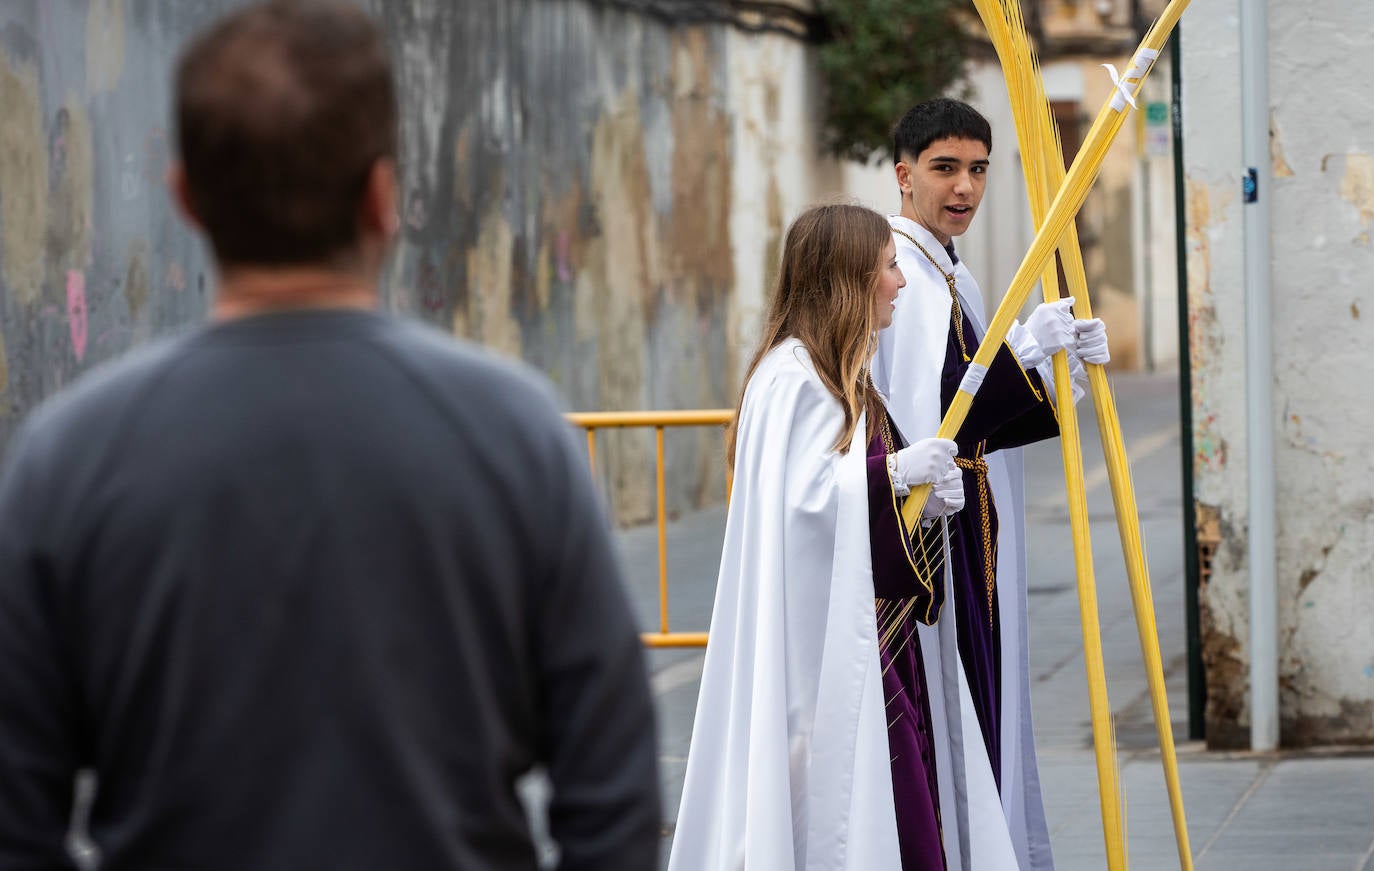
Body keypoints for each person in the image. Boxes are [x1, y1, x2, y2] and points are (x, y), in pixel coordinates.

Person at [0, 3, 659, 869]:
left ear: (187, 197)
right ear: (383, 198)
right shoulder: (518, 433)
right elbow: (612, 790)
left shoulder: (65, 459)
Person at [669, 202, 1006, 871]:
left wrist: (922, 494)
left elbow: (846, 488)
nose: (900, 282)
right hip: (822, 659)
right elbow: (804, 507)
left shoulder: (838, 375)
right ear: (851, 278)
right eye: (888, 267)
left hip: (872, 639)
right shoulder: (790, 380)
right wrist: (893, 475)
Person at [872, 97, 1111, 871]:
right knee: (954, 717)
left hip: (977, 534)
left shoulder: (950, 270)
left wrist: (1053, 356)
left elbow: (979, 408)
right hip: (937, 548)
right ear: (904, 175)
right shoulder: (901, 272)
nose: (965, 187)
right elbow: (933, 418)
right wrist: (1024, 353)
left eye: (978, 169)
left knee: (986, 707)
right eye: (945, 168)